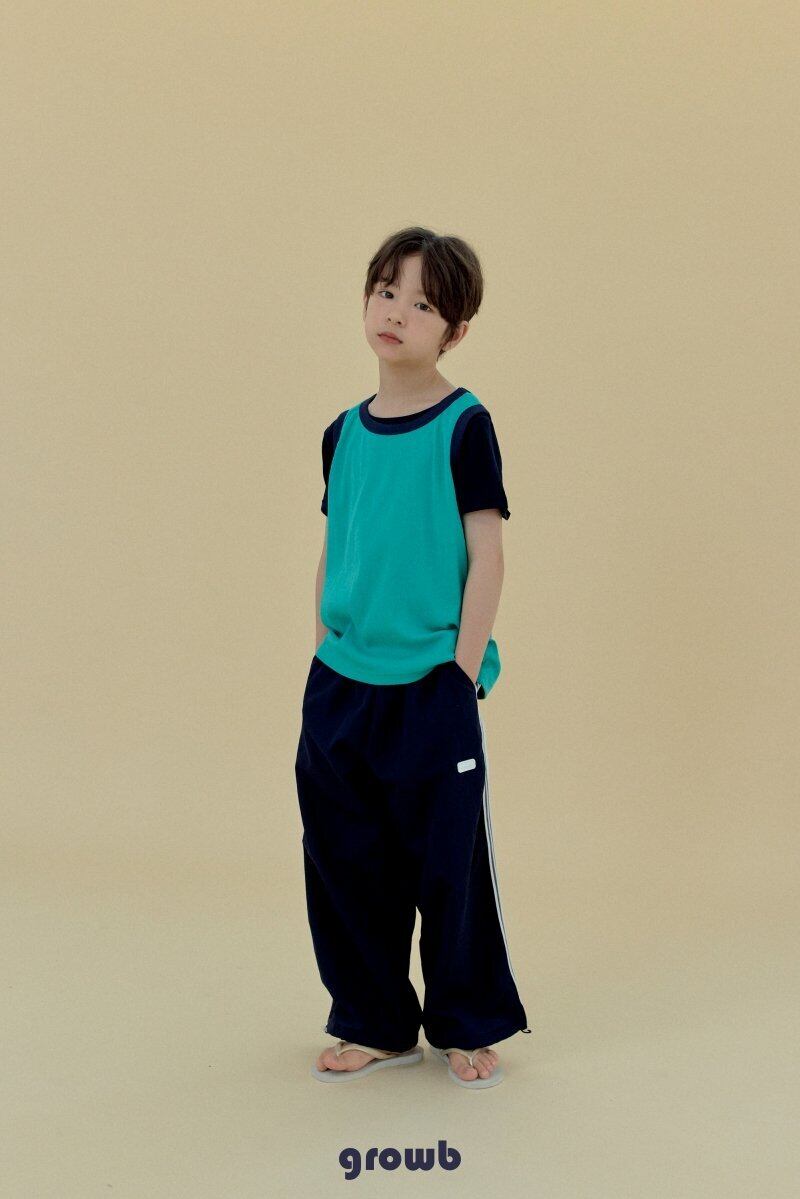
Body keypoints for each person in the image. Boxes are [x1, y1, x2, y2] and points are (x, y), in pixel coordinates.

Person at [295, 226, 531, 1089]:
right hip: (343, 687)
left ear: (454, 330)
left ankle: (466, 1021)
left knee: (447, 863)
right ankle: (374, 1020)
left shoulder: (466, 427)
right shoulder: (342, 433)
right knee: (344, 860)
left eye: (423, 303)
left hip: (432, 686)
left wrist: (460, 671)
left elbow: (487, 552)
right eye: (387, 291)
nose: (397, 312)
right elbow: (339, 545)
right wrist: (324, 651)